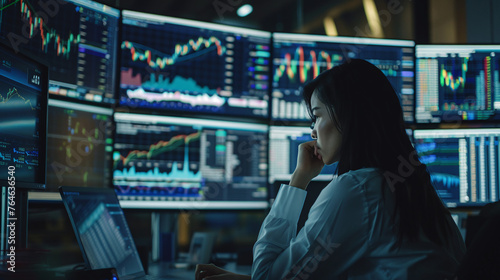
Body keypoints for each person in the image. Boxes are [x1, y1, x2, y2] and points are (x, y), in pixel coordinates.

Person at [195, 59, 465, 279]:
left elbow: (267, 276)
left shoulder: (356, 190)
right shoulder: (415, 186)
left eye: (317, 115)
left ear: (347, 116)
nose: (312, 130)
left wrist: (299, 179)